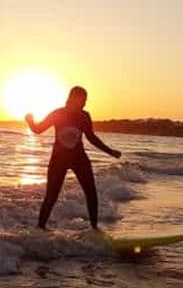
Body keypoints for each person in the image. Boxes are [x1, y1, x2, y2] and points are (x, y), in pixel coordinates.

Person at [25, 86, 121, 230]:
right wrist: (30, 121)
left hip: (79, 159)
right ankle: (40, 229)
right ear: (73, 99)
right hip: (58, 160)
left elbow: (91, 137)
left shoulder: (84, 116)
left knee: (91, 193)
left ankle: (95, 229)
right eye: (82, 100)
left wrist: (110, 151)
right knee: (51, 196)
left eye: (86, 101)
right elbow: (38, 130)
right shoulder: (58, 114)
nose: (84, 104)